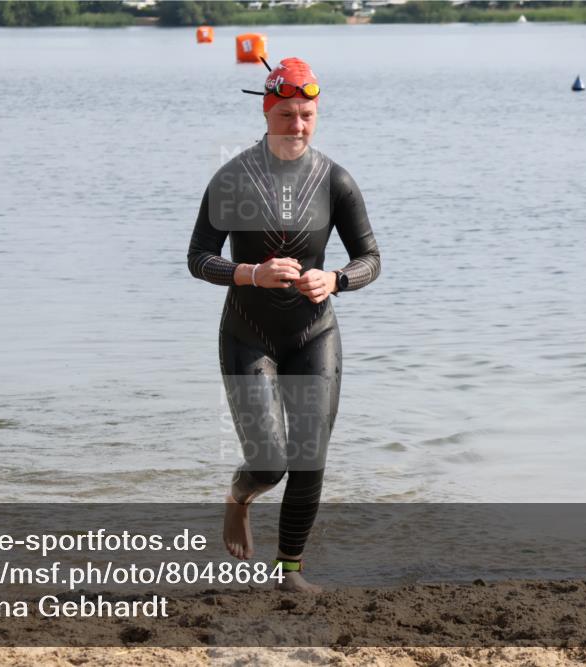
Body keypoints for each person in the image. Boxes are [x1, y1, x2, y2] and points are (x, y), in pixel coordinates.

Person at [187, 57, 381, 593]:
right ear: (267, 111)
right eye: (288, 114)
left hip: (314, 332)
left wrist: (336, 281)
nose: (298, 125)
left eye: (308, 115)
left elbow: (370, 258)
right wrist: (250, 272)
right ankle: (239, 497)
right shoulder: (233, 177)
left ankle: (290, 573)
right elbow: (198, 257)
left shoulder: (335, 180)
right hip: (248, 333)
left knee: (310, 455)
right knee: (270, 463)